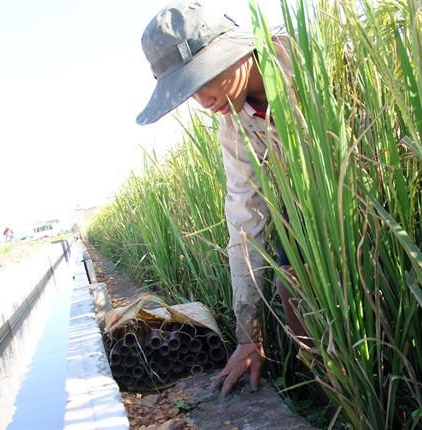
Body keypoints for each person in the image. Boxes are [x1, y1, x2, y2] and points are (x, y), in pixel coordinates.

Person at [136, 1, 308, 398]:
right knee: (292, 283)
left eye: (204, 79)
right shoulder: (236, 133)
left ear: (235, 53)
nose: (202, 100)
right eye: (189, 90)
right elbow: (244, 223)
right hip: (304, 200)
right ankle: (333, 391)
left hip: (368, 177)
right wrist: (248, 333)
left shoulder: (303, 59)